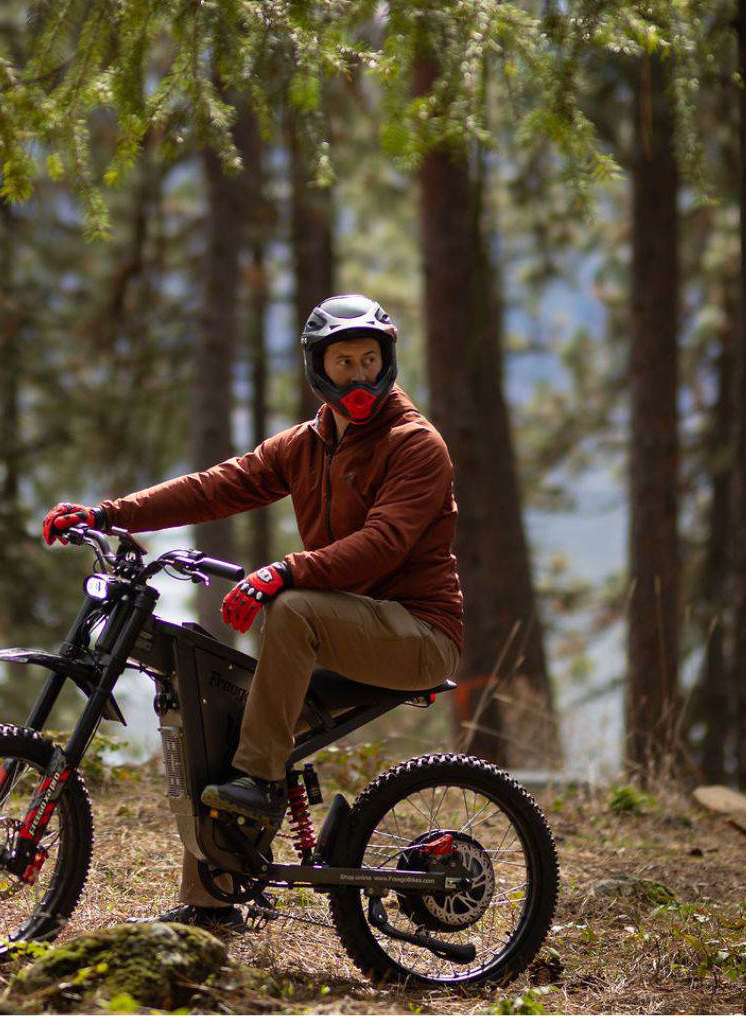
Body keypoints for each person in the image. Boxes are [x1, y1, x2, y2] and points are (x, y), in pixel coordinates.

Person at [41, 294, 464, 930]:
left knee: (292, 611)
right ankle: (212, 902)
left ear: (388, 363)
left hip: (418, 634)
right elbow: (215, 486)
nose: (359, 377)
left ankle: (261, 784)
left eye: (369, 361)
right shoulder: (307, 443)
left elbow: (385, 542)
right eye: (344, 362)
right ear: (320, 370)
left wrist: (284, 570)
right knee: (225, 716)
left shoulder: (415, 444)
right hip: (347, 627)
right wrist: (109, 513)